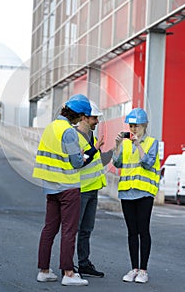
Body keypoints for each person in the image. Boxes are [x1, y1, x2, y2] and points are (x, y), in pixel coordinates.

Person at [33, 94, 92, 286]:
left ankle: (44, 270)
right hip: (68, 187)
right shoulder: (68, 132)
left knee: (49, 228)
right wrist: (83, 157)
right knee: (69, 230)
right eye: (84, 117)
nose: (84, 120)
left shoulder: (50, 127)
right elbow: (75, 162)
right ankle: (68, 273)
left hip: (50, 187)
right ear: (79, 115)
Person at [112, 108, 160, 284]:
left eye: (136, 126)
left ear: (144, 125)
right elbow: (117, 163)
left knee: (143, 230)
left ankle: (143, 270)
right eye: (131, 126)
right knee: (132, 232)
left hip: (144, 193)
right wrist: (117, 145)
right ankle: (133, 268)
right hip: (127, 193)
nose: (133, 130)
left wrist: (138, 144)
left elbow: (148, 163)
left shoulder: (152, 143)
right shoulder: (125, 144)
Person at [76, 101, 114, 278]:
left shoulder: (92, 137)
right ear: (84, 117)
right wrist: (94, 149)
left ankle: (83, 264)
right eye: (94, 118)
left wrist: (115, 147)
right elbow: (79, 160)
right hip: (80, 190)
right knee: (73, 229)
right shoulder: (75, 136)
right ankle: (68, 266)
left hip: (93, 189)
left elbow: (98, 161)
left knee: (86, 230)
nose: (97, 121)